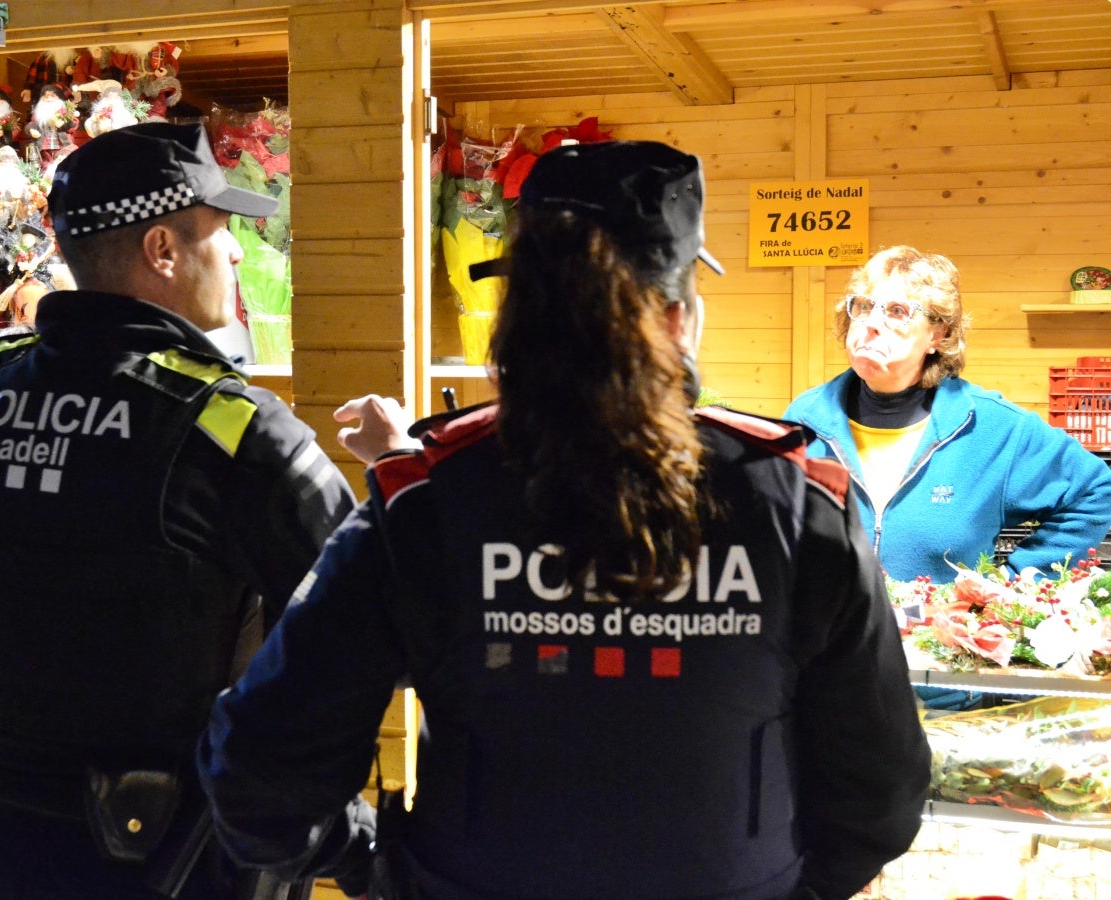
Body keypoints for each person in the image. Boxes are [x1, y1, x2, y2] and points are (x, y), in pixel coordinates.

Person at [197, 141, 931, 900]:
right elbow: (883, 794)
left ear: (515, 311)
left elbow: (262, 773)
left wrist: (380, 871)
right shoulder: (801, 501)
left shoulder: (425, 502)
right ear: (681, 317)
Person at [0, 121, 357, 899]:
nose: (239, 253)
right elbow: (363, 618)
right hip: (183, 864)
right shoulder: (232, 431)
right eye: (223, 233)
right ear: (162, 250)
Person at [784, 245, 1111, 587]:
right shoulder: (805, 418)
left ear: (937, 335)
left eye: (897, 311)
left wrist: (1018, 585)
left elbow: (1094, 490)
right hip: (827, 637)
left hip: (935, 638)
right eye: (864, 306)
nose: (871, 323)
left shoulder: (993, 427)